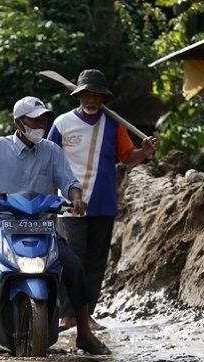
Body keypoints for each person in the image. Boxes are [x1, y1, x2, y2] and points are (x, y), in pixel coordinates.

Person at [0, 96, 111, 356]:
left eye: (43, 119)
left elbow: (69, 182)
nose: (40, 124)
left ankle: (84, 334)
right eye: (35, 120)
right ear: (19, 122)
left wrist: (76, 199)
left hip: (41, 226)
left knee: (75, 267)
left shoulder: (52, 151)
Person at [47, 69, 158, 331]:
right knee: (72, 259)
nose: (91, 100)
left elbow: (127, 158)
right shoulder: (62, 124)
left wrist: (144, 152)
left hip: (103, 203)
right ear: (78, 96)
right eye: (87, 95)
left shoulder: (114, 125)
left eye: (97, 96)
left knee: (95, 262)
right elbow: (47, 159)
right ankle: (68, 315)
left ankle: (86, 315)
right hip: (70, 204)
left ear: (104, 99)